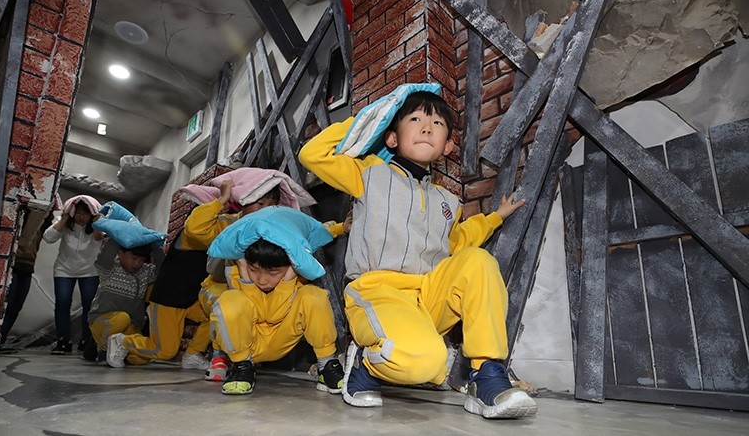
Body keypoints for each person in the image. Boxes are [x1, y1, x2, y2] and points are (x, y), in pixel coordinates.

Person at [299, 83, 538, 419]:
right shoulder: (368, 174)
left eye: (437, 123)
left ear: (447, 145)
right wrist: (372, 116)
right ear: (392, 137)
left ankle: (486, 376)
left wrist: (495, 217)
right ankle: (365, 364)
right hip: (378, 292)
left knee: (478, 261)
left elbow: (460, 242)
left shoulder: (448, 202)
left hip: (427, 298)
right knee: (427, 364)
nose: (427, 127)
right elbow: (312, 155)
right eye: (414, 119)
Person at [106, 179, 282, 370]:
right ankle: (121, 341)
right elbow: (196, 228)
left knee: (218, 310)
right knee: (164, 351)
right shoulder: (216, 226)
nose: (265, 209)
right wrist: (222, 199)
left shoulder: (256, 231)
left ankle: (192, 353)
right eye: (260, 203)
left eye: (271, 204)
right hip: (168, 298)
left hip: (194, 298)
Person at [204, 206, 345, 396]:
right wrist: (244, 273)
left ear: (290, 264)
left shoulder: (295, 271)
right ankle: (242, 368)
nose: (262, 280)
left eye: (272, 273)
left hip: (282, 336)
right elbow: (263, 314)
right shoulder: (238, 270)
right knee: (229, 300)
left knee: (314, 296)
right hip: (246, 345)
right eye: (254, 270)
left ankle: (326, 365)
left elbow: (274, 315)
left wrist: (290, 275)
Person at [43, 196, 104, 354]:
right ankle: (63, 341)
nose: (81, 217)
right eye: (78, 213)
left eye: (85, 213)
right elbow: (48, 238)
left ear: (92, 214)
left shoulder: (99, 224)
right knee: (62, 303)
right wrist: (65, 218)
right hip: (64, 269)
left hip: (90, 270)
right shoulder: (64, 223)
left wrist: (97, 221)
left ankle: (86, 340)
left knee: (89, 305)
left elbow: (99, 239)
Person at [87, 238, 161, 364]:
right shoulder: (109, 269)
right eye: (134, 258)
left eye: (141, 260)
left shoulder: (145, 272)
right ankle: (103, 350)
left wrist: (153, 244)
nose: (137, 263)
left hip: (130, 325)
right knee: (122, 318)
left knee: (141, 358)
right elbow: (106, 254)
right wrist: (118, 237)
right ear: (120, 253)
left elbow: (161, 268)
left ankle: (120, 353)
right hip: (103, 320)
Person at [0, 208, 53, 353]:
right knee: (7, 303)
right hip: (13, 263)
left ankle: (1, 340)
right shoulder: (26, 216)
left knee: (15, 306)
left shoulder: (42, 223)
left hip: (27, 266)